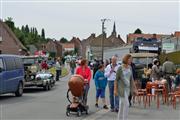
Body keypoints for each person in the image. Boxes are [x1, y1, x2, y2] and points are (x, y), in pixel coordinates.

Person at [114, 54, 137, 120]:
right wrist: (115, 90)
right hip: (121, 89)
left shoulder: (130, 67)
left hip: (127, 89)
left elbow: (131, 79)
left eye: (131, 59)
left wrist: (135, 89)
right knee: (126, 104)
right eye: (130, 59)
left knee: (121, 106)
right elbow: (116, 80)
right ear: (126, 59)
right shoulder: (120, 68)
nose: (131, 60)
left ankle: (119, 118)